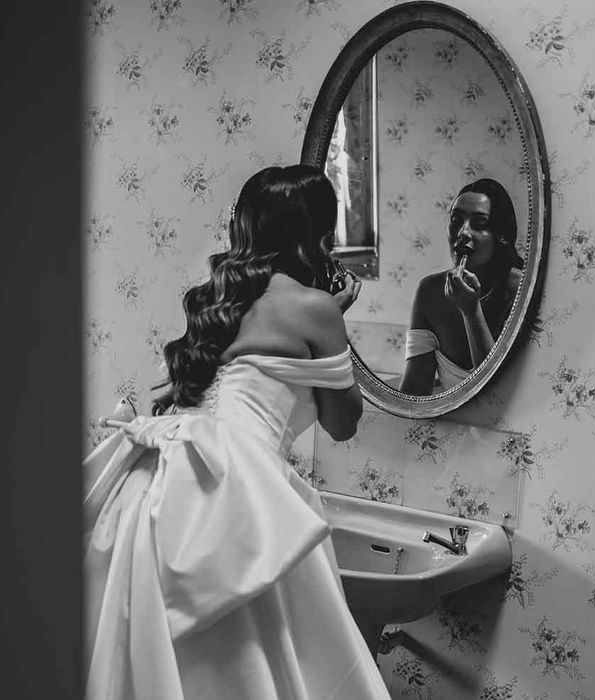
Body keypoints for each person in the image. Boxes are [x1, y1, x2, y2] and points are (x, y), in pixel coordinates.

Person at [83, 164, 392, 699]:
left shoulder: (214, 299)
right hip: (237, 488)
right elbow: (344, 423)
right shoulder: (314, 308)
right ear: (318, 236)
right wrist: (331, 320)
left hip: (155, 480)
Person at [398, 178, 525, 395]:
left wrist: (471, 311)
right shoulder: (430, 292)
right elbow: (414, 393)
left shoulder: (520, 288)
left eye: (479, 224)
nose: (463, 232)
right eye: (456, 220)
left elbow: (498, 396)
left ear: (500, 237)